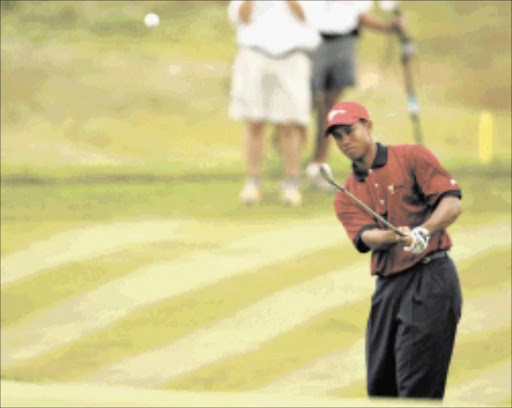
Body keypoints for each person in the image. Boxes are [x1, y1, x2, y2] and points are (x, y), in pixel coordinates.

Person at [325, 101, 463, 399]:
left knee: (416, 390)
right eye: (338, 136)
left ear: (369, 126)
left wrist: (424, 231)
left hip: (431, 277)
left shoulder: (412, 157)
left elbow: (451, 203)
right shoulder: (345, 195)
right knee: (381, 388)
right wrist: (393, 236)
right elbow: (366, 237)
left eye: (350, 131)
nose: (344, 141)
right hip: (388, 287)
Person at [304, 1, 405, 190]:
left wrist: (390, 26)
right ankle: (291, 163)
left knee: (329, 111)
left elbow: (361, 14)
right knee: (304, 105)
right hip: (312, 41)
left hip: (344, 42)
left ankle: (317, 165)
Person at [228, 0, 320, 206]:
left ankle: (290, 183)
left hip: (292, 55)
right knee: (254, 122)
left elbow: (309, 16)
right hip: (254, 53)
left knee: (290, 124)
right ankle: (252, 183)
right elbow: (241, 16)